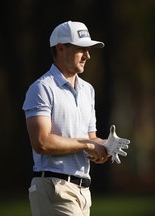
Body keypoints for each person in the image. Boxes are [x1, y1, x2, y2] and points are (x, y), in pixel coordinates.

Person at [22, 21, 109, 216]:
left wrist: (104, 147)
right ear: (60, 49)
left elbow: (90, 138)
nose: (88, 55)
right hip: (54, 188)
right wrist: (87, 145)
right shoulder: (42, 88)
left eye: (88, 49)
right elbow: (42, 142)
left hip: (83, 192)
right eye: (81, 49)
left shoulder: (88, 90)